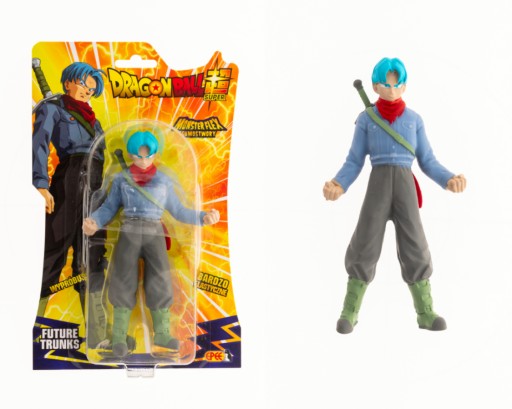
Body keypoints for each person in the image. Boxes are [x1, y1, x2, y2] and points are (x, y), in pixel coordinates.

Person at [323, 57, 466, 334]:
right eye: (385, 84)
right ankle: (350, 310)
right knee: (364, 243)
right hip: (377, 186)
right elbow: (354, 160)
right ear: (375, 86)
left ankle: (425, 311)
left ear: (405, 86)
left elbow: (428, 160)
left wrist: (448, 179)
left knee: (415, 243)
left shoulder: (414, 120)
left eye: (397, 83)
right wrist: (338, 184)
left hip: (405, 187)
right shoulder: (366, 119)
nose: (391, 89)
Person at [83, 130, 220, 357]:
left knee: (161, 279)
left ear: (155, 154)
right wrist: (94, 221)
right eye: (139, 155)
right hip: (128, 231)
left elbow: (178, 210)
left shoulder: (164, 181)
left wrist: (202, 217)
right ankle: (119, 337)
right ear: (130, 154)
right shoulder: (121, 179)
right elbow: (109, 207)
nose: (144, 160)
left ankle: (162, 333)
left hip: (155, 232)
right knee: (122, 281)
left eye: (148, 155)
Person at [32, 62, 107, 346]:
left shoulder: (94, 121)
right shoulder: (53, 109)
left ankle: (97, 336)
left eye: (92, 88)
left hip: (96, 182)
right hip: (70, 178)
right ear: (68, 82)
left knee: (92, 253)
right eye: (83, 84)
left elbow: (103, 156)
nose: (87, 91)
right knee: (55, 249)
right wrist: (40, 184)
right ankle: (36, 326)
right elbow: (39, 144)